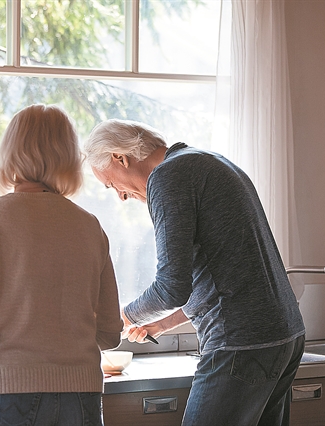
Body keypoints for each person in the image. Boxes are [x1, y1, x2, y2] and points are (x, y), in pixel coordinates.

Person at [83, 119, 305, 426]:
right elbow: (224, 275)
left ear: (120, 158)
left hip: (242, 343)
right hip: (283, 335)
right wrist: (162, 324)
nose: (119, 196)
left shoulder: (167, 177)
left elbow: (171, 287)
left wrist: (120, 318)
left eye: (111, 184)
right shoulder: (207, 161)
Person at [0, 104, 123, 426]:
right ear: (69, 157)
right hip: (81, 394)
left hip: (6, 393)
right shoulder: (89, 225)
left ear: (9, 152)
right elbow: (109, 334)